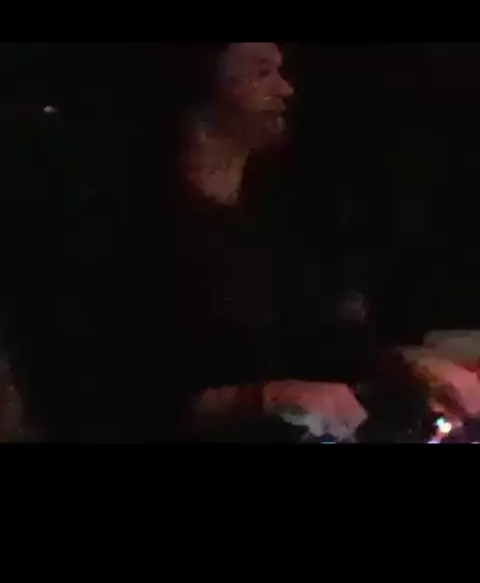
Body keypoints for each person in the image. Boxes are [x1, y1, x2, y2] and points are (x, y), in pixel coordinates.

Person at [110, 42, 370, 442]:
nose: (286, 89)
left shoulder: (283, 209)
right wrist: (260, 399)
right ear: (199, 83)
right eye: (261, 73)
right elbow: (127, 394)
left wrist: (408, 366)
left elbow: (323, 342)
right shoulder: (134, 221)